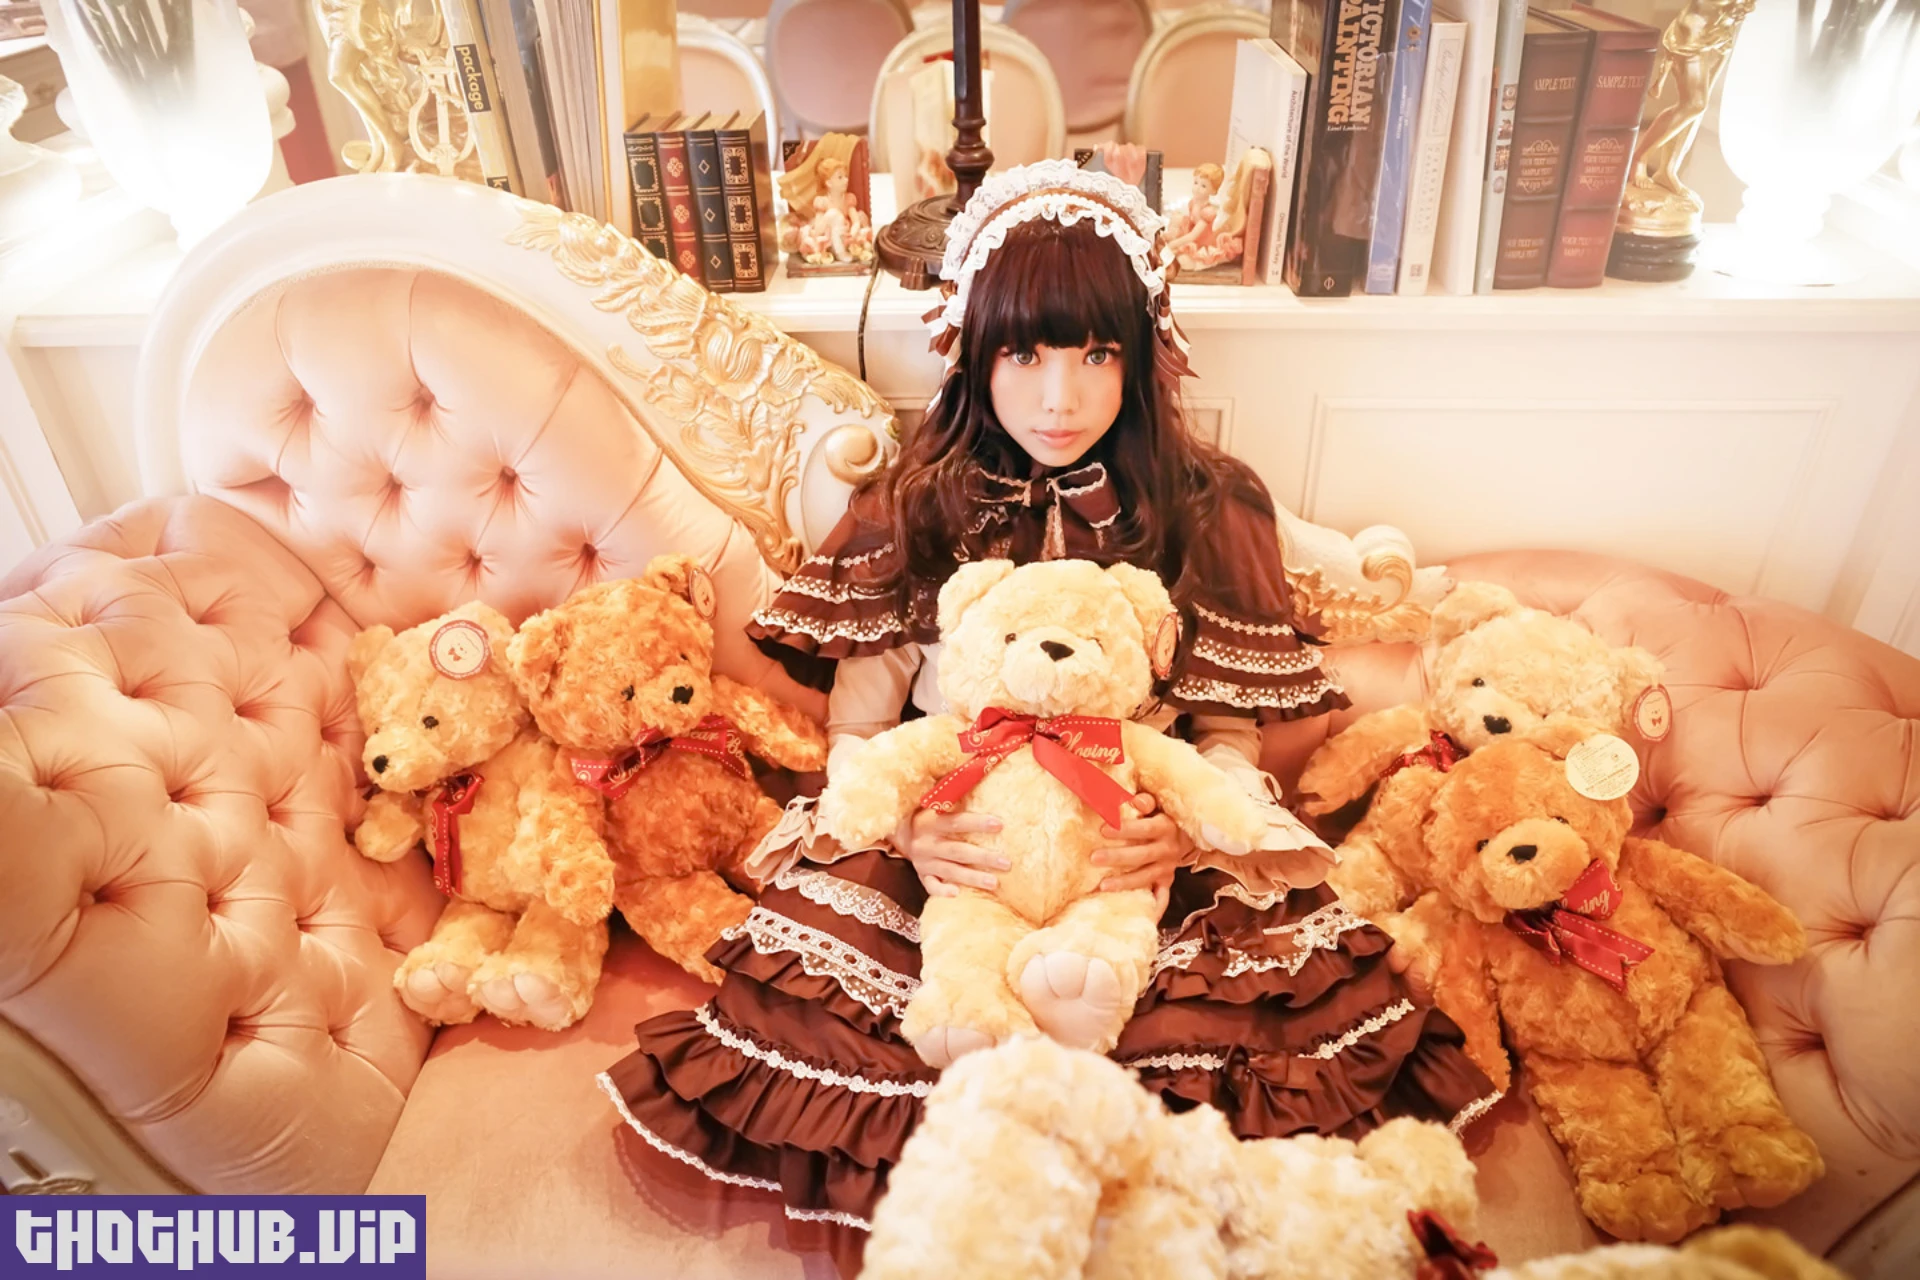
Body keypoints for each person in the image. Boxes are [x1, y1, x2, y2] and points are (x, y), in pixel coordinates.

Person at [598, 160, 1497, 1266]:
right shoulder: (914, 501)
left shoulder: (1207, 504)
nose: (1059, 398)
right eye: (1025, 354)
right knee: (903, 1034)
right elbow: (861, 730)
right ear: (974, 352)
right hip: (953, 837)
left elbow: (1224, 731)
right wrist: (909, 826)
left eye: (1095, 354)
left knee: (1201, 1042)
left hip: (1134, 839)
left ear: (1142, 353)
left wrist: (1187, 830)